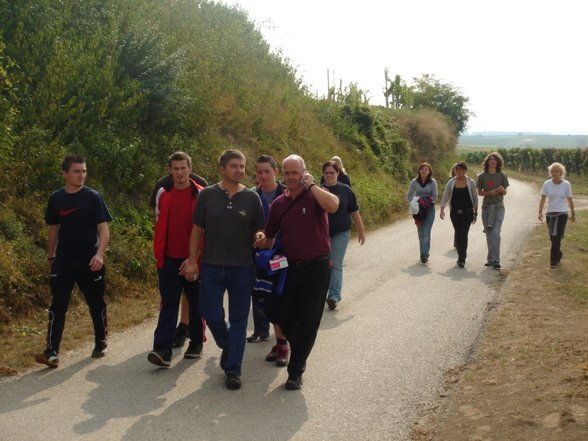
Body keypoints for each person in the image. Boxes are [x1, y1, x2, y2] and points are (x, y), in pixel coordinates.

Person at [182, 149, 265, 390]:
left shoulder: (252, 198)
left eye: (242, 166)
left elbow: (259, 228)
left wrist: (260, 235)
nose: (239, 170)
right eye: (234, 166)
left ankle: (233, 370)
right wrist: (191, 261)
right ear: (222, 169)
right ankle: (230, 345)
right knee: (210, 312)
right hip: (211, 266)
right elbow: (197, 230)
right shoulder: (207, 195)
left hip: (242, 268)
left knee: (239, 319)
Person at [256, 154, 339, 390]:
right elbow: (270, 238)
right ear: (282, 174)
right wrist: (259, 239)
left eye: (296, 173)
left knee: (309, 322)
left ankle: (296, 370)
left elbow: (333, 205)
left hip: (318, 268)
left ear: (304, 173)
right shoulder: (278, 204)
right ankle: (299, 345)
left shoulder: (315, 196)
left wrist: (312, 185)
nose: (291, 177)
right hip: (289, 269)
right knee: (280, 313)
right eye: (287, 173)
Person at [35, 155, 112, 368]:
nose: (82, 175)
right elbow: (53, 229)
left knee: (96, 305)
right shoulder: (56, 199)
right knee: (58, 305)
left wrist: (99, 254)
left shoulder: (93, 197)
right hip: (64, 261)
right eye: (77, 171)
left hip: (89, 261)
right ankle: (51, 351)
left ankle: (101, 341)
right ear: (65, 174)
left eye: (84, 171)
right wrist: (51, 255)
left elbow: (103, 228)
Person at [147, 152, 205, 368]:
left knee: (196, 303)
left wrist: (195, 260)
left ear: (190, 169)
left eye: (183, 168)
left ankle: (197, 342)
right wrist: (159, 256)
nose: (179, 173)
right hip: (168, 258)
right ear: (169, 170)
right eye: (175, 168)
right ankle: (162, 350)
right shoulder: (163, 194)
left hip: (193, 258)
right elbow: (159, 223)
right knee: (168, 304)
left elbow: (205, 231)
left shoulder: (201, 195)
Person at [246, 155, 291, 368]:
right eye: (259, 172)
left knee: (281, 300)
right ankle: (277, 340)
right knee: (266, 300)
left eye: (267, 171)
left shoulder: (289, 194)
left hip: (285, 257)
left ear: (276, 171)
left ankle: (284, 344)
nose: (263, 176)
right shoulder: (251, 197)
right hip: (259, 260)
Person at [321, 160, 366, 309]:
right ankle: (319, 295)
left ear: (338, 173)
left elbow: (354, 211)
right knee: (321, 265)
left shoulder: (346, 190)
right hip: (321, 234)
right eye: (326, 173)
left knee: (335, 264)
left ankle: (333, 296)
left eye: (332, 173)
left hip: (341, 233)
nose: (329, 175)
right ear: (323, 174)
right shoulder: (318, 191)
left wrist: (361, 231)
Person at [440, 162, 479, 268]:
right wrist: (442, 209)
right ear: (455, 171)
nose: (460, 172)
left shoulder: (470, 182)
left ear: (465, 170)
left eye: (462, 169)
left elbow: (475, 198)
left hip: (467, 212)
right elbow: (446, 195)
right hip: (455, 212)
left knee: (463, 233)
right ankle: (460, 254)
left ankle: (462, 258)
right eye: (458, 170)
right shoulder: (451, 182)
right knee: (458, 232)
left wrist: (475, 212)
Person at [538, 162, 576, 268]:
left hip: (562, 213)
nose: (554, 173)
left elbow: (570, 199)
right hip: (550, 213)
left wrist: (573, 213)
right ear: (550, 173)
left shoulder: (566, 184)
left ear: (561, 172)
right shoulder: (547, 184)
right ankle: (558, 253)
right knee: (552, 237)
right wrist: (540, 211)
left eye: (557, 171)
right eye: (552, 171)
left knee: (557, 237)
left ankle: (553, 261)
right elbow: (543, 198)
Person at [476, 152, 509, 270]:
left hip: (499, 207)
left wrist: (501, 190)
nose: (493, 161)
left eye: (495, 159)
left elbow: (505, 192)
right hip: (486, 208)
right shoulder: (482, 176)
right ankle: (490, 259)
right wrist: (489, 193)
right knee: (489, 234)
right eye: (491, 159)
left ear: (498, 162)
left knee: (495, 232)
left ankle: (496, 260)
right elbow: (480, 193)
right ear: (487, 162)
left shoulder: (502, 176)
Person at [406, 162, 438, 263]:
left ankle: (424, 254)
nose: (423, 171)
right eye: (422, 169)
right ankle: (423, 253)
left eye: (426, 169)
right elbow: (409, 196)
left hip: (429, 210)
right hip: (417, 211)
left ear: (429, 172)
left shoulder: (432, 182)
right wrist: (418, 200)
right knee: (420, 233)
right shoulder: (414, 182)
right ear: (419, 171)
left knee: (426, 232)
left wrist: (425, 200)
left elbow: (434, 197)